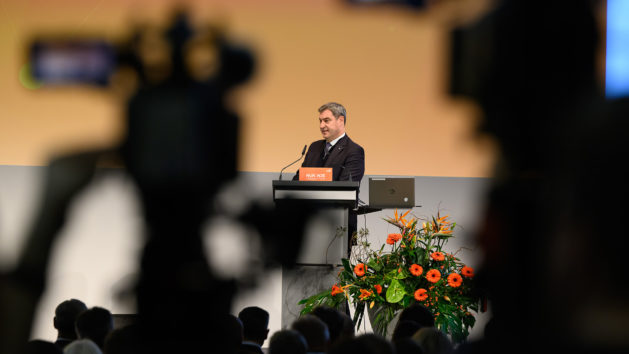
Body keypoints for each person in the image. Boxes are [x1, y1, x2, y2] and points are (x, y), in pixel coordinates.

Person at [293, 102, 365, 183]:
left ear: (341, 120)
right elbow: (298, 180)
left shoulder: (354, 151)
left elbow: (346, 188)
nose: (321, 126)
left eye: (326, 121)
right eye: (320, 121)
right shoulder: (314, 147)